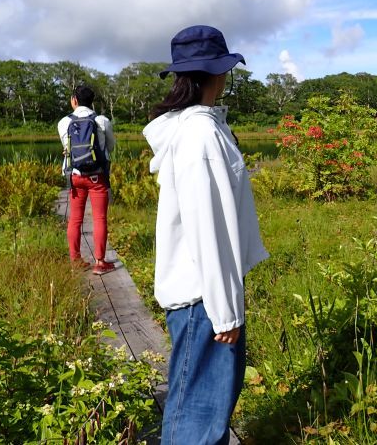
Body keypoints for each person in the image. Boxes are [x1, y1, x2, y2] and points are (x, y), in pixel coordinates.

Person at [143, 25, 269, 444]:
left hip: (205, 298)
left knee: (203, 411)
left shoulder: (197, 128)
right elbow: (208, 226)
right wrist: (226, 309)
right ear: (218, 73)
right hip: (205, 300)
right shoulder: (201, 135)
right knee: (198, 420)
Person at [58, 85, 117, 275]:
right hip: (97, 176)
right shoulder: (102, 120)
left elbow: (67, 148)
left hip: (75, 177)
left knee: (75, 219)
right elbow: (110, 147)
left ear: (74, 100)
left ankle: (76, 260)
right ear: (92, 101)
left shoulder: (63, 122)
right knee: (99, 218)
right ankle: (100, 263)